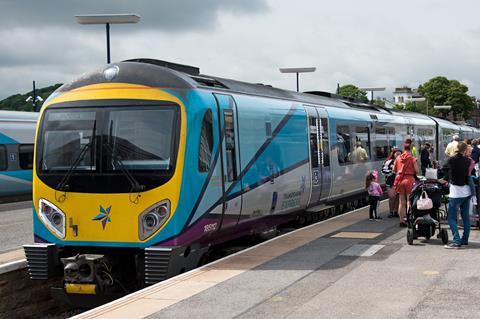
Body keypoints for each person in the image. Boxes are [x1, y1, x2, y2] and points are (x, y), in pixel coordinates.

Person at [443, 142, 471, 249]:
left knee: (451, 218)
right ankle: (465, 240)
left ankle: (456, 241)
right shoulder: (468, 161)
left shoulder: (451, 159)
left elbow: (445, 170)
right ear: (465, 150)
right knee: (465, 217)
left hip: (456, 192)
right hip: (466, 191)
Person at [393, 140, 420, 227]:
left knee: (401, 201)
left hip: (400, 180)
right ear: (411, 148)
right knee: (409, 201)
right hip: (409, 180)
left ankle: (401, 220)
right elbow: (417, 171)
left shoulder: (398, 158)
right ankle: (409, 219)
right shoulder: (412, 158)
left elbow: (394, 170)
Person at [382, 148, 401, 218]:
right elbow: (383, 171)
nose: (399, 155)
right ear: (393, 154)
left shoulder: (402, 161)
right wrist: (392, 172)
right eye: (397, 154)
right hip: (390, 182)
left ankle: (396, 211)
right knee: (392, 196)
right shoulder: (388, 162)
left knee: (397, 197)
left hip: (399, 182)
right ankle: (391, 211)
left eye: (400, 154)